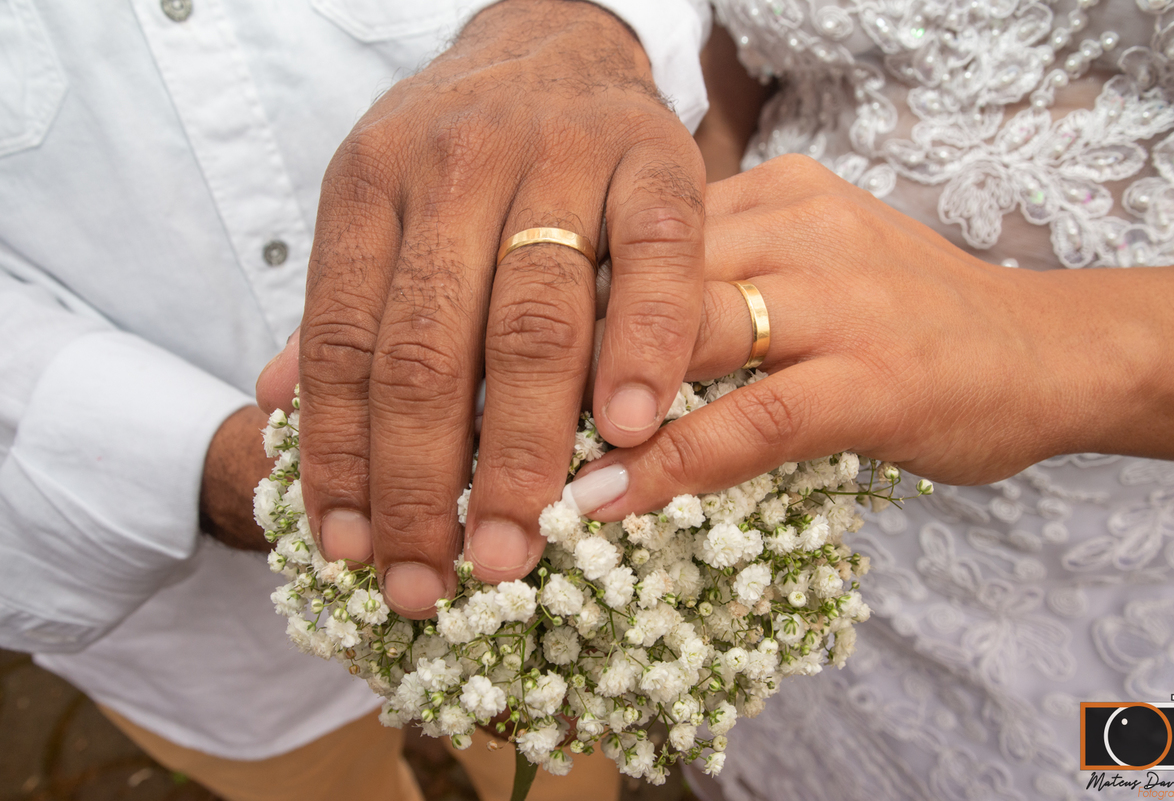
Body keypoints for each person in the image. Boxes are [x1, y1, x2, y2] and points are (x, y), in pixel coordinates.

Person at [0, 1, 712, 798]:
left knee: (561, 767)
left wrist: (580, 26)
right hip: (205, 640)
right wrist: (199, 459)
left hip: (557, 487)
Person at [562, 2, 1174, 799]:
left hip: (1084, 555)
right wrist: (679, 251)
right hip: (767, 521)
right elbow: (747, 46)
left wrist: (1036, 342)